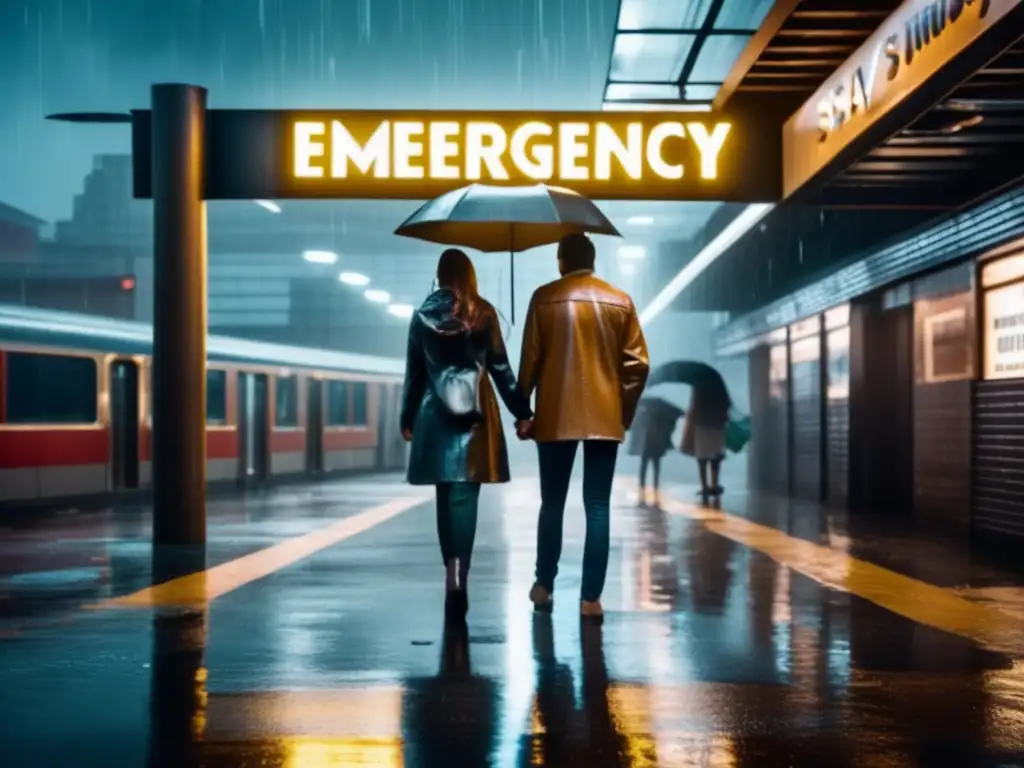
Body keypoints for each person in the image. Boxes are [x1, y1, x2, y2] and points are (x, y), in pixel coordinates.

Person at [517, 233, 649, 621]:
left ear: (561, 261)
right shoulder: (620, 300)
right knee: (597, 505)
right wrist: (621, 412)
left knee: (552, 503)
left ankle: (544, 585)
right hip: (604, 419)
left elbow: (530, 360)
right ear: (592, 260)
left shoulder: (544, 298)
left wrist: (523, 410)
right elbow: (637, 366)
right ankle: (591, 599)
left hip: (555, 417)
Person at [400, 248, 533, 625]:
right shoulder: (484, 312)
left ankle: (451, 575)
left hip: (434, 416)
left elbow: (414, 371)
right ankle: (461, 574)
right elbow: (502, 369)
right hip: (475, 419)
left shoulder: (422, 315)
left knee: (445, 495)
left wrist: (407, 416)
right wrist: (523, 413)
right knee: (464, 498)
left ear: (439, 275)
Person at [627, 397, 684, 507]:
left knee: (644, 464)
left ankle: (642, 484)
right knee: (655, 465)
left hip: (647, 444)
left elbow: (635, 427)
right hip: (657, 444)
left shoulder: (643, 415)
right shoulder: (662, 417)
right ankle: (654, 485)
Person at [680, 378, 731, 499]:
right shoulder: (719, 388)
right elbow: (727, 405)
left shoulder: (698, 387)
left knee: (702, 457)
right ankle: (714, 484)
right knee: (715, 457)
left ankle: (704, 486)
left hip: (701, 426)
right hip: (717, 426)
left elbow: (694, 408)